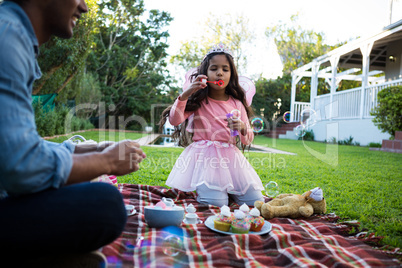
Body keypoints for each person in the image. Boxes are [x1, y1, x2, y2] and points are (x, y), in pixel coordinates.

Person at [0, 0, 146, 266]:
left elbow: (19, 147)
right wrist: (108, 161)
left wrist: (97, 149)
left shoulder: (11, 34)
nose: (85, 7)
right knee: (106, 205)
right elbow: (20, 166)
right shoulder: (7, 38)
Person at [159, 43, 264, 207]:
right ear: (205, 73)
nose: (219, 73)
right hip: (206, 160)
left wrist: (243, 127)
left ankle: (227, 191)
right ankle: (217, 193)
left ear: (231, 74)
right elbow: (174, 120)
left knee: (255, 201)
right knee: (215, 204)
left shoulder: (237, 103)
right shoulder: (198, 100)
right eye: (214, 68)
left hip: (231, 161)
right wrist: (186, 95)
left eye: (225, 69)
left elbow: (247, 140)